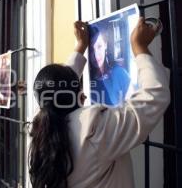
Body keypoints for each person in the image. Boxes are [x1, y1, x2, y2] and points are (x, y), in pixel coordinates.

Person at [29, 18, 170, 188]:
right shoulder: (94, 130)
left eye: (100, 47)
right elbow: (154, 97)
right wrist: (139, 47)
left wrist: (81, 47)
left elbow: (59, 86)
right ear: (78, 96)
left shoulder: (40, 130)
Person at [89, 26, 132, 106]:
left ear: (105, 45)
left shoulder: (120, 74)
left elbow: (135, 110)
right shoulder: (86, 81)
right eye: (91, 50)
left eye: (99, 46)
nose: (95, 54)